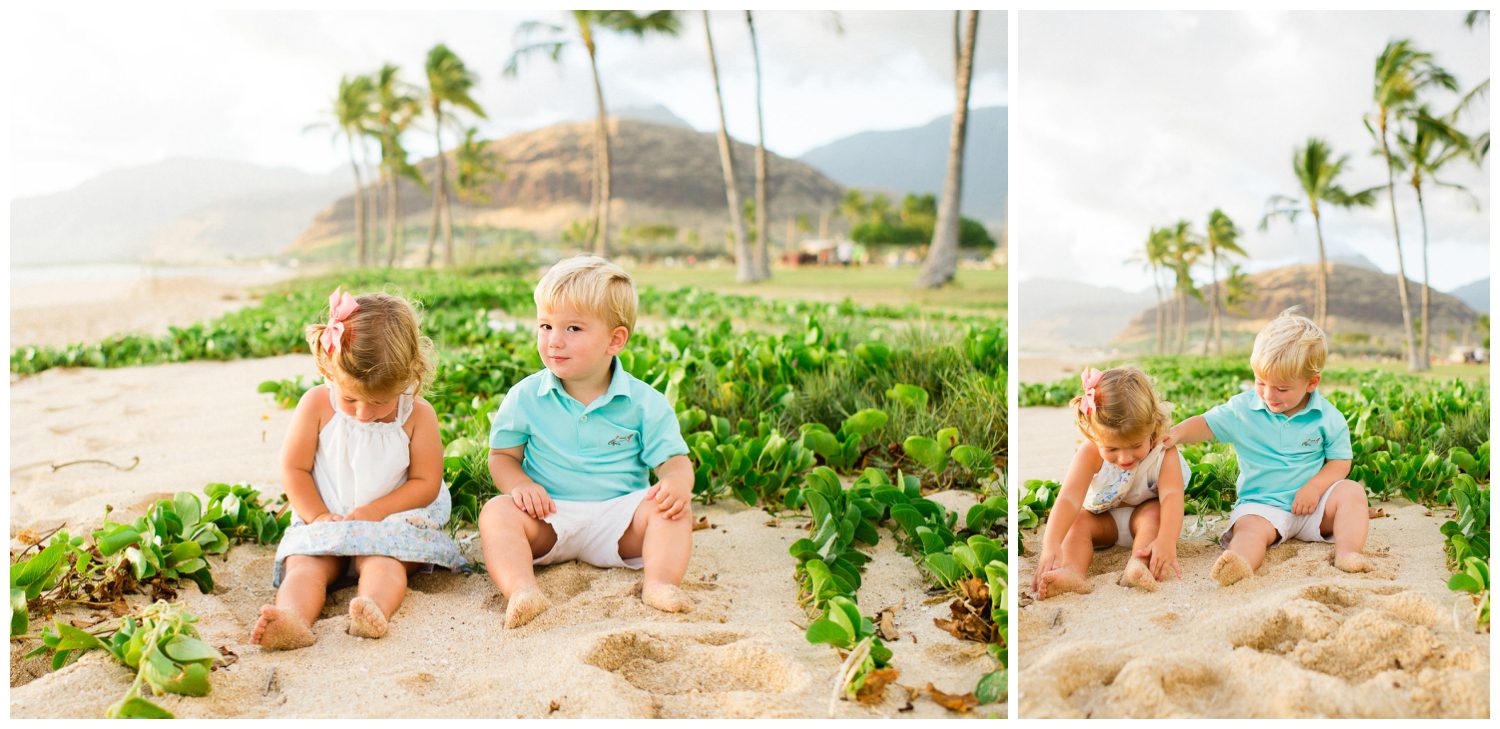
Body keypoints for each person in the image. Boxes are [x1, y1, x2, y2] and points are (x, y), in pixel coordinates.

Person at [479, 256, 695, 628]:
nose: (554, 341)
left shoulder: (644, 402)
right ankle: (521, 590)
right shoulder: (526, 396)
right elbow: (502, 457)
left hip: (621, 519)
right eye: (545, 325)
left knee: (671, 512)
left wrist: (676, 481)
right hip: (547, 516)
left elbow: (673, 460)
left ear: (615, 339)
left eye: (573, 328)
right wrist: (521, 485)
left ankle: (658, 583)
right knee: (496, 513)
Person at [251, 289, 465, 650]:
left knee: (384, 564)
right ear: (327, 369)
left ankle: (372, 609)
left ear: (411, 375)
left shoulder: (418, 415)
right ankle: (292, 618)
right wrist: (318, 515)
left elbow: (426, 482)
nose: (364, 413)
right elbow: (294, 468)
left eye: (380, 401)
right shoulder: (317, 404)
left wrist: (376, 512)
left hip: (390, 523)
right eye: (351, 399)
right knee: (305, 567)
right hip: (327, 520)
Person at [1166, 308, 1372, 586]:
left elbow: (1340, 462)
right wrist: (1177, 433)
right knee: (1249, 530)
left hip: (1313, 507)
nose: (1268, 394)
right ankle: (1238, 564)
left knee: (1352, 493)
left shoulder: (1328, 417)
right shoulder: (1243, 409)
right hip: (1262, 506)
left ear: (1312, 382)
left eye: (1282, 389)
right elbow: (1206, 424)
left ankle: (1347, 552)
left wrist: (1314, 488)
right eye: (1261, 382)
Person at [1033, 366, 1187, 599]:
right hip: (1103, 521)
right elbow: (1068, 498)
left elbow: (1172, 496)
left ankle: (1138, 563)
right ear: (1093, 435)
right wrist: (1051, 542)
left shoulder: (1163, 451)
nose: (1125, 458)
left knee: (1155, 514)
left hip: (1143, 518)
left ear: (1152, 426)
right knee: (1077, 523)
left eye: (1136, 445)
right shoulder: (1089, 454)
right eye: (1112, 448)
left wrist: (1167, 540)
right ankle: (1073, 571)